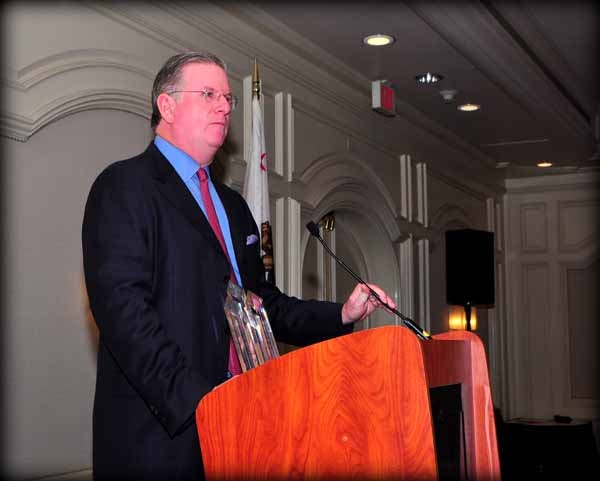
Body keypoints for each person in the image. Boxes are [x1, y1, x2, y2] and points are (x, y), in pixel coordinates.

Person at [82, 51, 396, 481]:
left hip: (246, 431)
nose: (225, 107)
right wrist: (204, 403)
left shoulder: (233, 206)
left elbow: (263, 304)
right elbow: (124, 314)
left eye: (228, 98)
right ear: (166, 106)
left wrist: (342, 313)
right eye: (208, 94)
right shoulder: (125, 187)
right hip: (163, 439)